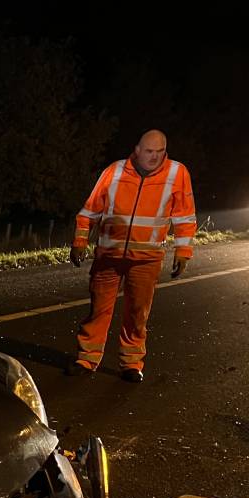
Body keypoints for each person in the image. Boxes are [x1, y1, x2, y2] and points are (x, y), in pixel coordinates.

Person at [66, 129, 196, 382]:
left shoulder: (177, 173)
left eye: (160, 152)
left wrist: (183, 252)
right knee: (98, 309)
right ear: (137, 150)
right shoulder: (114, 171)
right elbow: (90, 210)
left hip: (146, 259)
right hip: (108, 255)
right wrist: (79, 241)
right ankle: (87, 359)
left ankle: (131, 364)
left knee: (138, 313)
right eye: (149, 151)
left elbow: (185, 217)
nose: (154, 157)